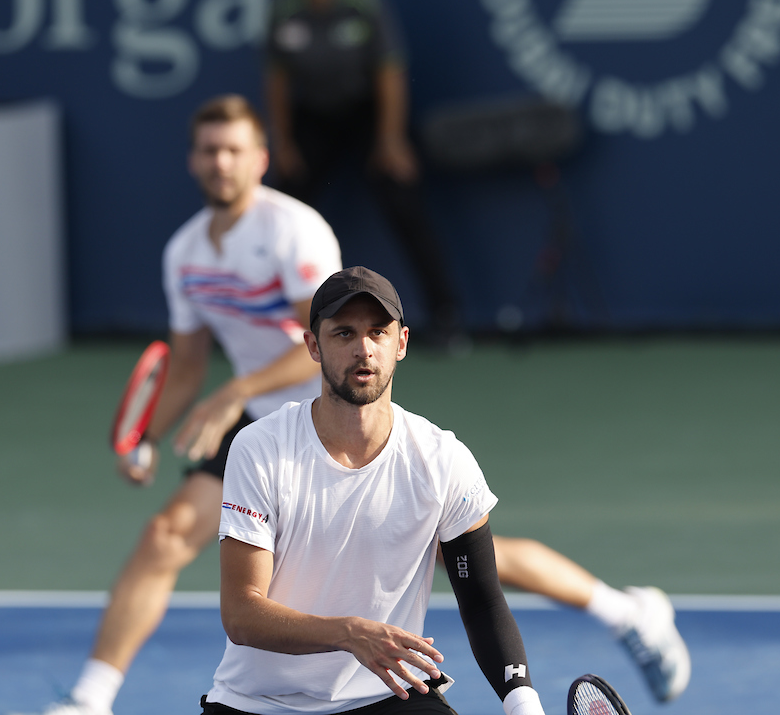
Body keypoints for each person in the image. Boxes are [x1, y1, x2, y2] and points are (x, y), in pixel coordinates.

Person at [20, 96, 687, 715]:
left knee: (472, 555)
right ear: (193, 160)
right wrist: (151, 436)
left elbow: (318, 338)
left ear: (259, 159)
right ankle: (90, 697)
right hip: (266, 430)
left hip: (325, 410)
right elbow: (189, 362)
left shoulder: (293, 233)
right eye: (208, 150)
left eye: (234, 150)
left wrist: (238, 390)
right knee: (166, 536)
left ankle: (625, 611)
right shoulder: (186, 252)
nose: (220, 162)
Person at [204, 266, 541, 715]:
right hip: (259, 705)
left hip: (388, 696)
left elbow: (482, 600)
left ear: (400, 343)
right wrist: (349, 633)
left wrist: (523, 704)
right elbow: (242, 615)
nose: (363, 349)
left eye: (377, 332)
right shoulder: (260, 448)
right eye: (343, 334)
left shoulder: (442, 459)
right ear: (313, 347)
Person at [265, 0, 463, 345]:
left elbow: (390, 74)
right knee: (278, 213)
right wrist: (282, 142)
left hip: (367, 116)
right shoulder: (284, 7)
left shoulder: (366, 2)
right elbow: (278, 81)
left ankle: (447, 318)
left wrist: (390, 140)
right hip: (313, 118)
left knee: (403, 200)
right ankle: (263, 324)